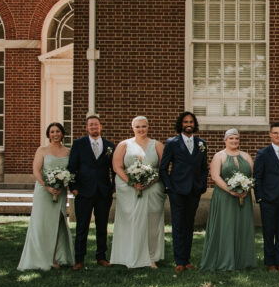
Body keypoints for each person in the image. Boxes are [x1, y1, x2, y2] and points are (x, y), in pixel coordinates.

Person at [110, 116, 166, 268]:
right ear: (132, 128)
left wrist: (150, 181)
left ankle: (151, 256)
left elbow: (163, 168)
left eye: (144, 126)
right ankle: (130, 255)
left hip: (153, 188)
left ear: (148, 127)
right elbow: (117, 166)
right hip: (129, 189)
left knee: (152, 222)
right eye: (138, 127)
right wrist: (132, 182)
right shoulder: (124, 145)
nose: (141, 129)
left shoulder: (157, 145)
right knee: (132, 221)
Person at [18, 122, 73, 270]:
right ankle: (39, 257)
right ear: (48, 134)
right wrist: (47, 185)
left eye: (58, 131)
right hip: (44, 191)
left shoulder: (68, 151)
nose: (55, 134)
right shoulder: (42, 150)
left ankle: (54, 258)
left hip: (60, 192)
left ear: (62, 133)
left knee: (57, 223)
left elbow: (71, 171)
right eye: (52, 132)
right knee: (41, 224)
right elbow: (36, 170)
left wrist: (63, 185)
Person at [158, 111, 208, 272]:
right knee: (178, 225)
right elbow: (163, 168)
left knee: (189, 224)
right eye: (186, 121)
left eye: (191, 122)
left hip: (194, 191)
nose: (188, 124)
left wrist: (202, 185)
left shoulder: (201, 143)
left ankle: (186, 260)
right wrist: (169, 186)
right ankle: (179, 261)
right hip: (177, 190)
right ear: (181, 124)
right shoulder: (172, 142)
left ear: (194, 125)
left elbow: (204, 168)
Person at [200, 129, 256, 271]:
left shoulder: (246, 156)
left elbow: (252, 175)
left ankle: (243, 261)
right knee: (226, 226)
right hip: (224, 197)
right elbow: (215, 176)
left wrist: (246, 189)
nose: (234, 141)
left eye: (236, 138)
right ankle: (224, 260)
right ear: (225, 140)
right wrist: (231, 190)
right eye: (231, 138)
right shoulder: (219, 156)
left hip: (244, 196)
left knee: (242, 226)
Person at [68, 114, 115, 270]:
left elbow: (114, 169)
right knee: (82, 226)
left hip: (103, 192)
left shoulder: (110, 145)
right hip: (83, 192)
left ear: (100, 126)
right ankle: (79, 259)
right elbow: (72, 167)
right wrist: (73, 188)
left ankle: (101, 257)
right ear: (87, 128)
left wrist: (113, 188)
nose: (93, 127)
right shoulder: (78, 144)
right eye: (90, 125)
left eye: (96, 124)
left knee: (102, 226)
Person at [253, 122, 279, 271]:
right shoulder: (263, 153)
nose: (278, 135)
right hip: (268, 200)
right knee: (269, 232)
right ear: (270, 135)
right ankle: (270, 262)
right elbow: (257, 177)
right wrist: (260, 198)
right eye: (275, 132)